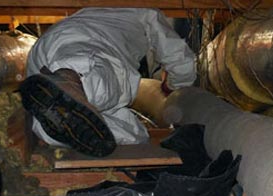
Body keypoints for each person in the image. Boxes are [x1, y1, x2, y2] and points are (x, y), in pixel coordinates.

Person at [19, 8, 197, 157]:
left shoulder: (94, 11)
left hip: (43, 56)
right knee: (107, 85)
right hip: (87, 50)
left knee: (134, 133)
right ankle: (68, 80)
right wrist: (175, 86)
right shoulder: (145, 11)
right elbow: (182, 61)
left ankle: (50, 124)